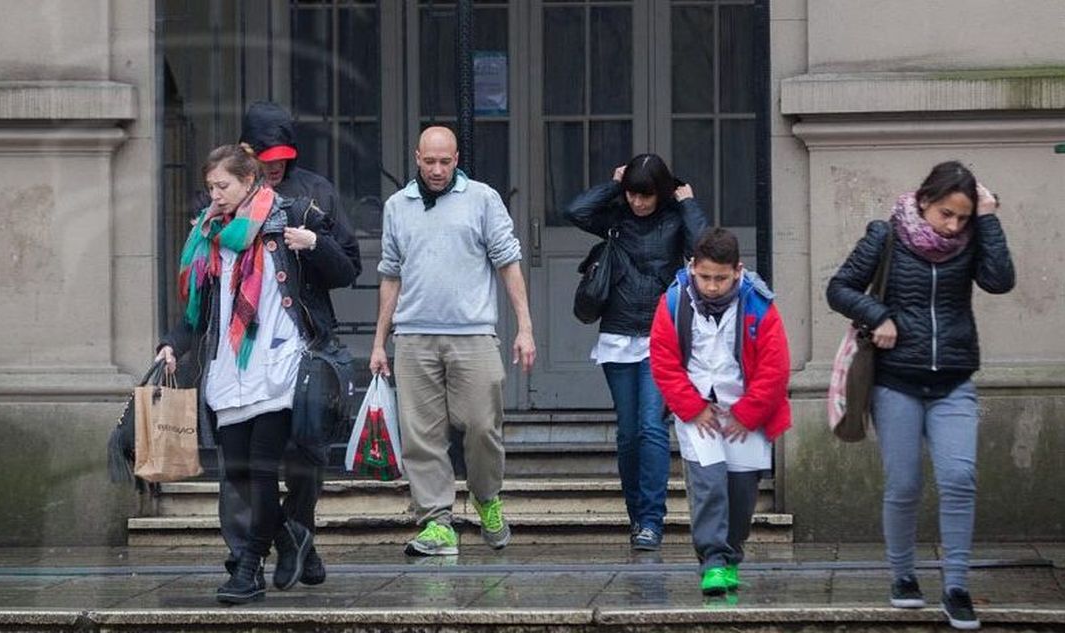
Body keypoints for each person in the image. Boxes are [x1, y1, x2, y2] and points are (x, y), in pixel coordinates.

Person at [156, 143, 359, 604]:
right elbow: (197, 312)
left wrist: (315, 243)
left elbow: (346, 270)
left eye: (223, 186)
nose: (215, 195)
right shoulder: (208, 236)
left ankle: (248, 572)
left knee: (261, 469)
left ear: (250, 182)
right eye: (210, 187)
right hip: (229, 367)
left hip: (279, 363)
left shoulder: (290, 218)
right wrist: (172, 344)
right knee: (242, 475)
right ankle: (289, 538)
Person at [826, 161, 1015, 630]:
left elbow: (1000, 280)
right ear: (925, 201)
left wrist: (988, 220)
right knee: (905, 484)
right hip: (897, 382)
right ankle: (903, 576)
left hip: (953, 379)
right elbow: (840, 288)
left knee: (958, 478)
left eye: (963, 217)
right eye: (947, 214)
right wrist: (879, 316)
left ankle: (955, 588)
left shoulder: (972, 239)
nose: (954, 225)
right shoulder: (885, 234)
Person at [369, 126, 536, 557]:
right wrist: (378, 342)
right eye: (430, 161)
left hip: (473, 333)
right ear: (416, 157)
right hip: (414, 334)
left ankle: (485, 496)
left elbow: (508, 263)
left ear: (457, 157)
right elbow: (390, 274)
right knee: (420, 436)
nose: (438, 169)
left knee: (483, 425)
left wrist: (525, 328)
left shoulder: (482, 198)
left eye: (446, 161)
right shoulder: (397, 206)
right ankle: (437, 522)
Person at [562, 154, 708, 550]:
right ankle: (636, 516)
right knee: (628, 434)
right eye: (632, 195)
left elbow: (703, 249)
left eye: (646, 195)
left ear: (660, 192)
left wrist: (688, 203)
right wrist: (613, 187)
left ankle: (651, 521)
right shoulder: (615, 217)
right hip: (617, 335)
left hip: (661, 337)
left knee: (650, 426)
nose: (638, 203)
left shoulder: (675, 219)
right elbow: (574, 211)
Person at [649, 227, 792, 596]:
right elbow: (664, 362)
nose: (712, 286)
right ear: (693, 267)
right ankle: (712, 560)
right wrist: (692, 408)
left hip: (746, 412)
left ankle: (731, 555)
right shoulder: (673, 302)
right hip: (699, 410)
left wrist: (748, 413)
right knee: (708, 484)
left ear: (738, 271)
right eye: (705, 277)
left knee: (742, 493)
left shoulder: (760, 305)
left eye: (721, 278)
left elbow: (774, 367)